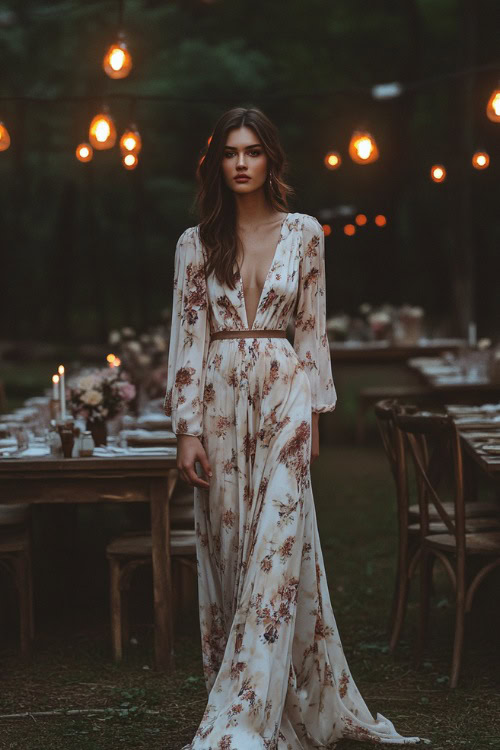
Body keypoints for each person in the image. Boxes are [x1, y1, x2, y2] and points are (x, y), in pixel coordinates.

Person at [164, 107, 427, 749]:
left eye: (253, 151)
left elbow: (310, 335)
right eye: (231, 152)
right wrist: (186, 429)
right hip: (222, 403)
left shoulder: (306, 234)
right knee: (231, 550)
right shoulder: (195, 243)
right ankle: (248, 692)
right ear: (217, 163)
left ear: (271, 159)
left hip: (284, 398)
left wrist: (313, 418)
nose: (242, 163)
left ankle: (250, 713)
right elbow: (188, 338)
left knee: (277, 545)